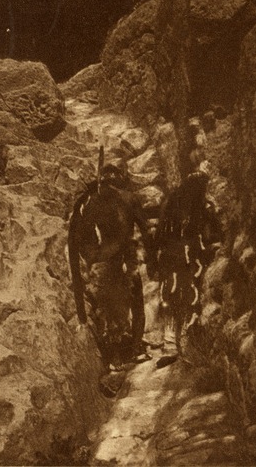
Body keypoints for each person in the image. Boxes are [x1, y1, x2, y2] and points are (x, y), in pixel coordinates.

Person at [68, 154, 157, 368]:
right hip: (125, 258)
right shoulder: (129, 198)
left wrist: (93, 258)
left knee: (109, 308)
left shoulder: (92, 202)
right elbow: (146, 230)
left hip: (105, 260)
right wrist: (152, 259)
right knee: (135, 303)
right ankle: (134, 348)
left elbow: (82, 237)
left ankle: (115, 355)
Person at [153, 164, 222, 367]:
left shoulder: (171, 202)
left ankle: (170, 345)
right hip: (189, 258)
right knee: (189, 297)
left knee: (170, 298)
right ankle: (183, 344)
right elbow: (212, 232)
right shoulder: (203, 205)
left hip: (171, 258)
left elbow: (159, 233)